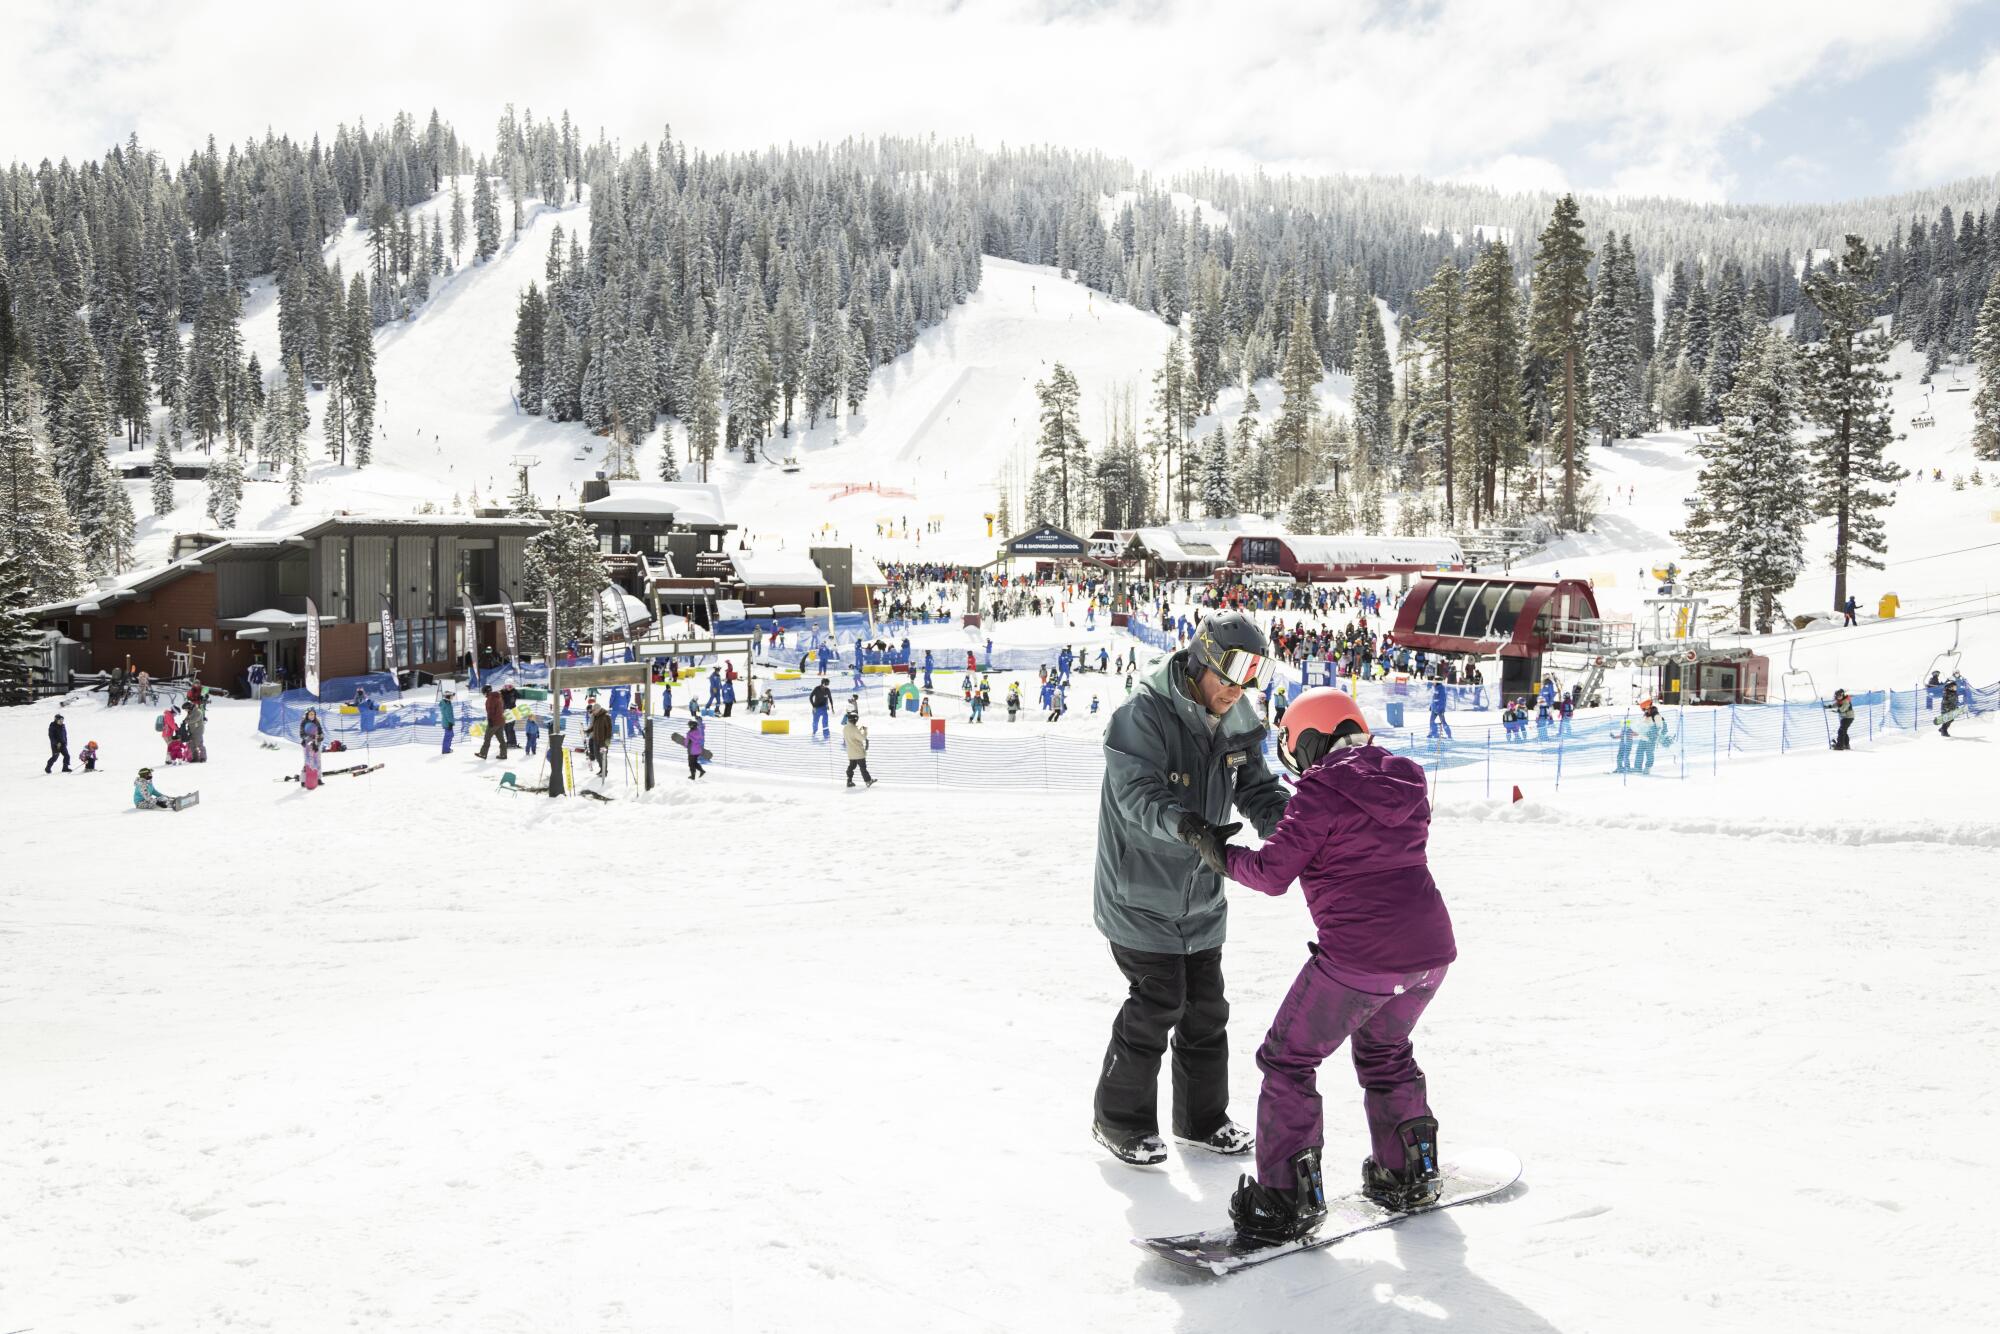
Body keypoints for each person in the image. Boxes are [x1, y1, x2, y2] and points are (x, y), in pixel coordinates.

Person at [1188, 688, 1456, 1241]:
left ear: (1310, 737)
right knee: (1385, 1050)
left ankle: (1286, 1198)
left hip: (1360, 957)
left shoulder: (1321, 789)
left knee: (1288, 1060)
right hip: (1429, 952)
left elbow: (1272, 874)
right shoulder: (1406, 777)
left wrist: (1218, 854)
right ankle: (1409, 1170)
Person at [1091, 612, 1291, 1167]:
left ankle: (1202, 1120)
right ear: (1202, 658)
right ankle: (1118, 1120)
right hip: (1138, 892)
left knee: (1206, 1008)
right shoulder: (1143, 713)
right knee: (1160, 1002)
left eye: (1253, 672)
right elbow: (1136, 794)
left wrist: (1297, 831)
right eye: (1231, 670)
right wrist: (1189, 827)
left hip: (1201, 894)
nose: (1238, 686)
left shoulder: (1236, 715)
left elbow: (1258, 790)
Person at [842, 710, 877, 787]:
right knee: (863, 768)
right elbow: (862, 738)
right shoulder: (854, 729)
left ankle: (849, 781)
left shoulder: (845, 728)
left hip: (851, 753)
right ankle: (868, 781)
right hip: (858, 753)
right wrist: (865, 731)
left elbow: (852, 735)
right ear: (854, 719)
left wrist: (858, 730)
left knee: (851, 767)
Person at [1634, 700, 1671, 773]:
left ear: (1648, 707)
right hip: (1643, 738)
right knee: (1639, 752)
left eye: (1644, 709)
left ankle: (1648, 768)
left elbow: (1659, 728)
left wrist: (1653, 735)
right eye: (1643, 710)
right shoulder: (1646, 715)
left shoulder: (1656, 716)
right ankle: (1637, 768)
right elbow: (1642, 725)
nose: (1644, 711)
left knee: (1649, 753)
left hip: (1650, 739)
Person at [477, 687, 511, 759]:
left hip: (494, 721)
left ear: (485, 692)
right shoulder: (498, 697)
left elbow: (491, 710)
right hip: (501, 721)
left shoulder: (490, 699)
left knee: (487, 738)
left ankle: (483, 753)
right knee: (501, 739)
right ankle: (503, 754)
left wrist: (490, 720)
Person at [299, 708, 325, 788]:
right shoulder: (304, 723)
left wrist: (320, 737)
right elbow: (302, 734)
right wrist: (310, 740)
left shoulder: (317, 722)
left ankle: (318, 778)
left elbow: (321, 733)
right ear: (307, 715)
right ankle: (303, 780)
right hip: (307, 745)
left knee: (317, 761)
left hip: (316, 745)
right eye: (310, 714)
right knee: (308, 762)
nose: (312, 716)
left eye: (313, 714)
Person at [588, 701, 614, 777]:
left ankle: (604, 771)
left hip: (604, 741)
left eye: (594, 711)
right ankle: (601, 769)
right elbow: (593, 727)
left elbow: (609, 730)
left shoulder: (606, 717)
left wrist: (607, 741)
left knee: (603, 757)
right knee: (597, 755)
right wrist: (587, 731)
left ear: (598, 709)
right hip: (596, 740)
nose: (593, 712)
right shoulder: (596, 717)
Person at [685, 715, 706, 780]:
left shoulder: (689, 734)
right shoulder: (699, 731)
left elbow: (686, 743)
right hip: (698, 751)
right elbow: (702, 727)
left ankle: (693, 776)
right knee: (694, 763)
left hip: (691, 751)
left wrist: (686, 744)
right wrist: (699, 721)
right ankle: (701, 771)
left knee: (691, 764)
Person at [439, 689, 456, 754]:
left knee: (450, 735)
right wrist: (451, 723)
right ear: (448, 697)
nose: (452, 697)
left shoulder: (446, 702)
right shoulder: (447, 704)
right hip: (448, 723)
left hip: (446, 722)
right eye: (451, 696)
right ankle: (446, 750)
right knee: (448, 736)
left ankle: (446, 748)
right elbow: (448, 715)